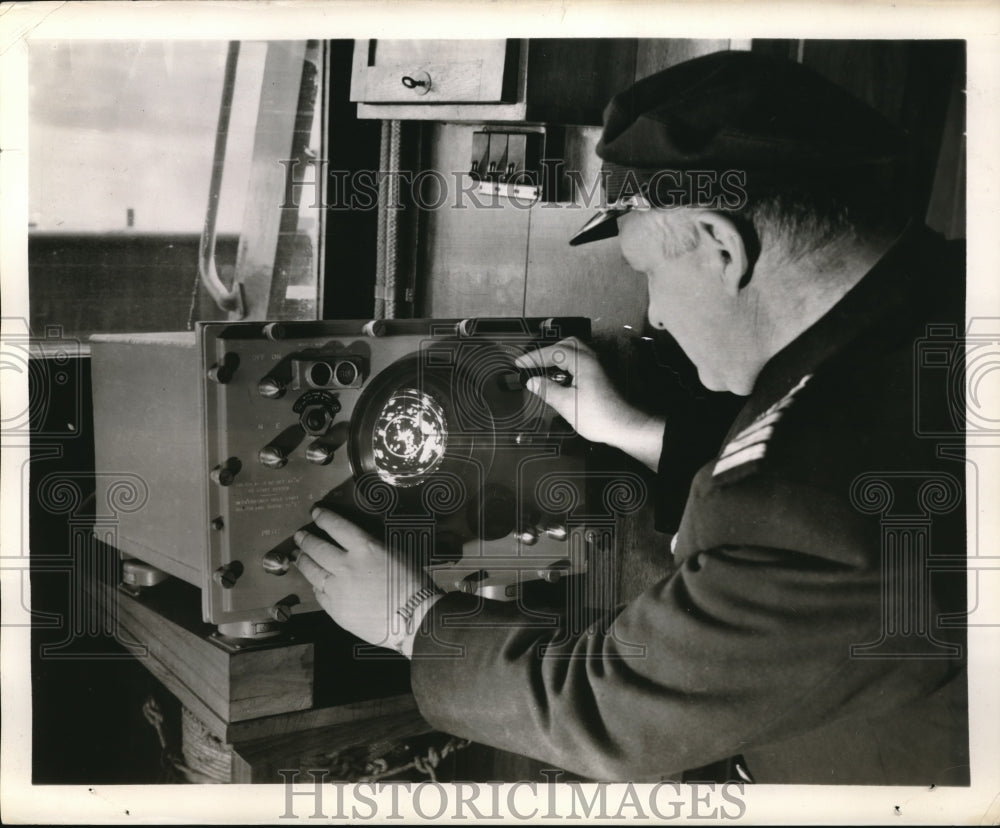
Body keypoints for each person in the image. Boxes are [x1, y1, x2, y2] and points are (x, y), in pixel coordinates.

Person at [293, 51, 968, 784]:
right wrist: (632, 432)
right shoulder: (953, 301)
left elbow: (608, 711)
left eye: (646, 272)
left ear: (720, 245)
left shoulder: (801, 504)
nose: (653, 314)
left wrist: (410, 621)